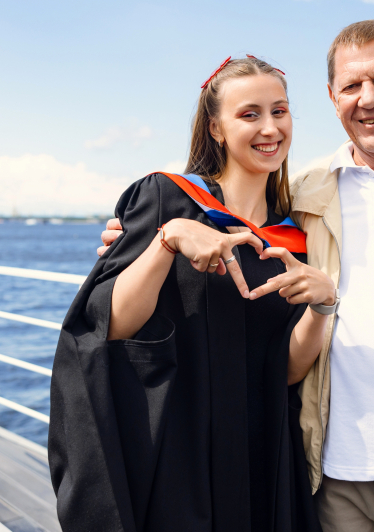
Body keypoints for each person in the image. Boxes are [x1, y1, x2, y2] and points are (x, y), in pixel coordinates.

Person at [100, 20, 374, 532]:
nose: (368, 99)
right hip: (326, 479)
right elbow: (224, 235)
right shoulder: (301, 198)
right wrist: (145, 232)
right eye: (351, 86)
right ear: (332, 98)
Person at [50, 56, 335, 532]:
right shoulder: (168, 198)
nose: (270, 128)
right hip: (175, 452)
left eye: (280, 111)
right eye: (250, 114)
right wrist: (168, 239)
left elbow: (284, 370)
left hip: (260, 452)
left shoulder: (295, 236)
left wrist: (322, 306)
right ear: (216, 129)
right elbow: (108, 326)